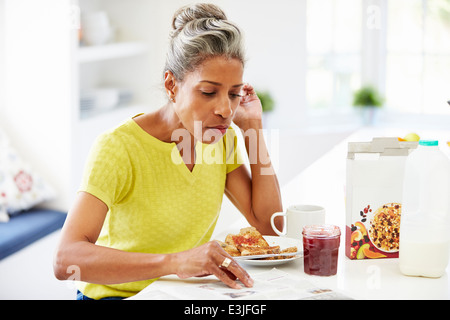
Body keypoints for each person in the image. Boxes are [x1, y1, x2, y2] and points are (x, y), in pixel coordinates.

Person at [53, 3, 282, 300]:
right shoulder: (118, 148)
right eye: (209, 92)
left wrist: (252, 128)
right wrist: (177, 262)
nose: (226, 109)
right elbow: (65, 260)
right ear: (171, 84)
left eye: (234, 93)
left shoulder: (220, 140)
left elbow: (270, 226)